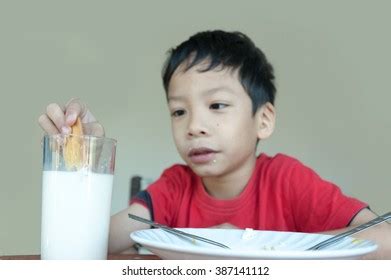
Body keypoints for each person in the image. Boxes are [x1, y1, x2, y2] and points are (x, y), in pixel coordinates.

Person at [38, 30, 391, 259]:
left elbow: (383, 240)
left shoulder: (287, 180)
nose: (194, 126)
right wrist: (84, 157)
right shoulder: (173, 188)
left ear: (263, 120)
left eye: (217, 106)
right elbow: (94, 245)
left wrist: (255, 245)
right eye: (179, 111)